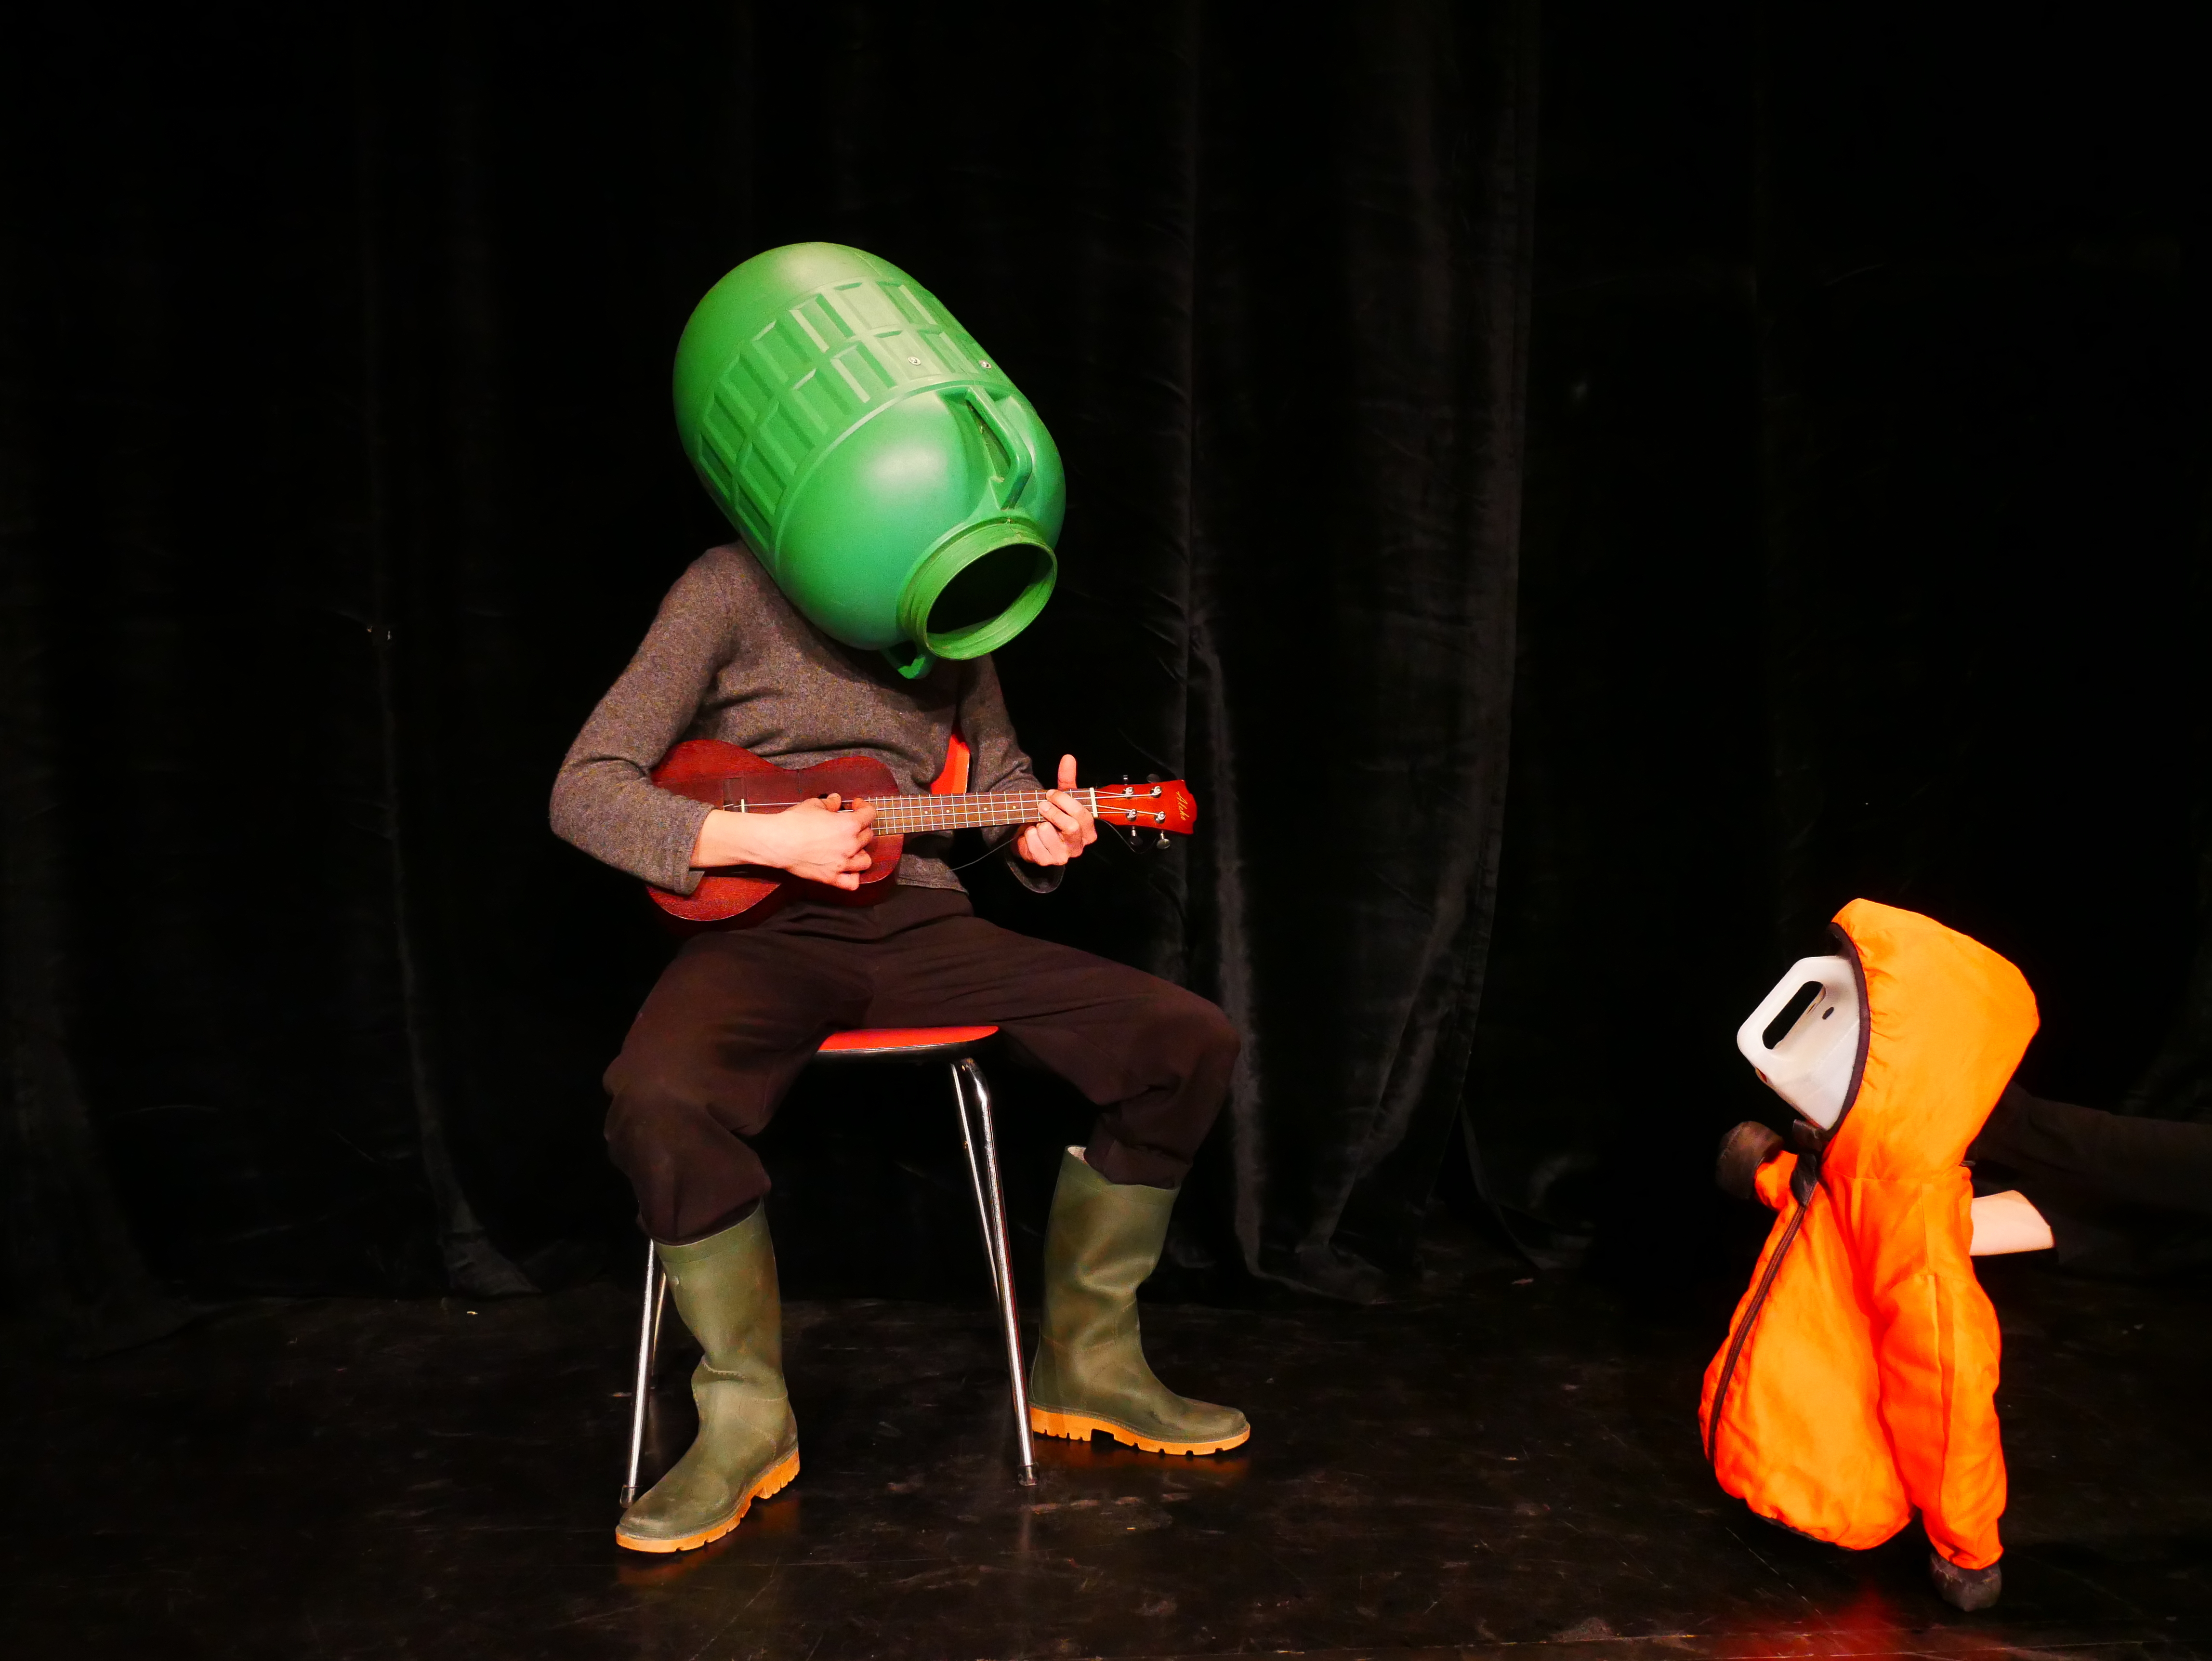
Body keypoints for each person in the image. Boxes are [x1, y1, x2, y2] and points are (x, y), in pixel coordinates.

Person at [550, 541, 1249, 1555]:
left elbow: (1004, 783)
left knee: (1185, 1040)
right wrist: (767, 842)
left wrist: (1043, 839)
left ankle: (1087, 1364)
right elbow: (585, 788)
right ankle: (746, 1413)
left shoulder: (952, 608)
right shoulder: (730, 586)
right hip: (765, 927)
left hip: (924, 921)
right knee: (658, 1096)